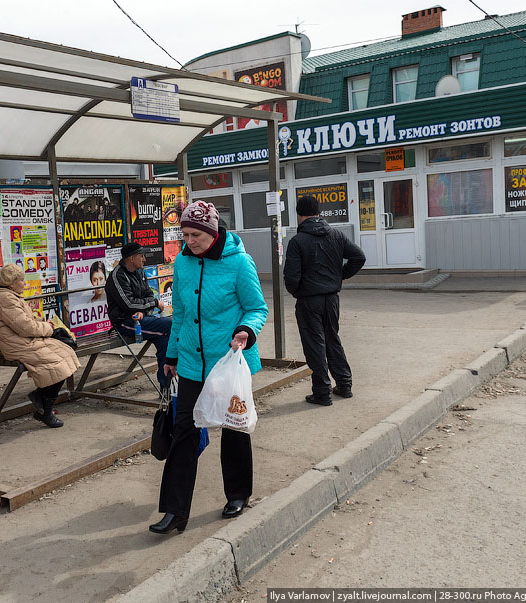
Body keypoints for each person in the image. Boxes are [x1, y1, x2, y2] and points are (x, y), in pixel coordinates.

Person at [150, 200, 268, 535]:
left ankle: (238, 494)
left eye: (196, 234)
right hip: (190, 362)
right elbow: (182, 316)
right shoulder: (184, 265)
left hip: (228, 361)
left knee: (233, 428)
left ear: (212, 232)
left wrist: (245, 331)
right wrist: (171, 357)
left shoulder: (239, 263)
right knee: (184, 433)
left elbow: (257, 308)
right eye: (185, 234)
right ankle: (175, 512)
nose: (190, 241)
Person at [283, 195, 366, 406]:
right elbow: (359, 257)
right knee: (332, 339)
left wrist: (298, 291)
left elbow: (291, 278)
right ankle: (344, 384)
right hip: (331, 298)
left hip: (309, 300)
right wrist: (340, 276)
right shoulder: (336, 235)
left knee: (314, 344)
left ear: (298, 214)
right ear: (319, 212)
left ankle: (322, 392)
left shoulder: (297, 241)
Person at [0, 264, 79, 428]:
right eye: (21, 280)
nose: (24, 283)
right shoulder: (6, 299)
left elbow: (26, 322)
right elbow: (25, 327)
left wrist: (44, 324)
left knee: (67, 352)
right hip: (18, 345)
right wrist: (48, 329)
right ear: (11, 283)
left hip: (26, 341)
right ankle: (45, 409)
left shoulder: (10, 296)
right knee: (57, 364)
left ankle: (41, 400)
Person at [105, 242, 172, 388]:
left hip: (140, 318)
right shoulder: (117, 276)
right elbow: (128, 304)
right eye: (141, 256)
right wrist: (153, 303)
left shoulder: (140, 272)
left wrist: (142, 310)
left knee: (164, 339)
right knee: (170, 325)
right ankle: (166, 384)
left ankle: (166, 386)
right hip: (124, 322)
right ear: (131, 258)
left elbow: (147, 294)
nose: (144, 259)